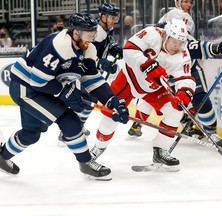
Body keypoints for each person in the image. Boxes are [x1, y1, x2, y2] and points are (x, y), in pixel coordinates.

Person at [0, 13, 129, 181]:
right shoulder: (59, 45)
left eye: (93, 33)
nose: (92, 37)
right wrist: (65, 93)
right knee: (69, 121)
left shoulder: (88, 48)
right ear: (76, 33)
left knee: (31, 133)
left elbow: (92, 78)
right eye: (89, 33)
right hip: (26, 87)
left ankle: (2, 157)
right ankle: (86, 162)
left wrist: (113, 100)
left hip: (41, 86)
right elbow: (38, 81)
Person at [127, 0, 222, 147]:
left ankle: (209, 130)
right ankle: (178, 123)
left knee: (198, 98)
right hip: (163, 72)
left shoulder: (183, 44)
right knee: (154, 97)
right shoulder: (154, 37)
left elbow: (198, 46)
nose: (177, 43)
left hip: (186, 69)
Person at [90, 18, 195, 172]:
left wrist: (185, 93)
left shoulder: (183, 54)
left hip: (153, 87)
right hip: (128, 77)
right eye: (174, 41)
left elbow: (185, 78)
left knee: (175, 110)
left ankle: (161, 150)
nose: (177, 46)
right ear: (166, 35)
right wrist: (147, 64)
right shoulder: (152, 33)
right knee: (110, 115)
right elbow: (129, 49)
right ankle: (97, 148)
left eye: (180, 42)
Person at [57, 3, 124, 146]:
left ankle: (76, 127)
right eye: (111, 17)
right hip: (86, 70)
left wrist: (113, 48)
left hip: (92, 70)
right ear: (103, 16)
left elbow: (103, 47)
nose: (113, 21)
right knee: (86, 102)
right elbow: (86, 53)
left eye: (115, 18)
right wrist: (103, 63)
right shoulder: (97, 31)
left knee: (89, 102)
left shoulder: (106, 29)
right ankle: (67, 132)